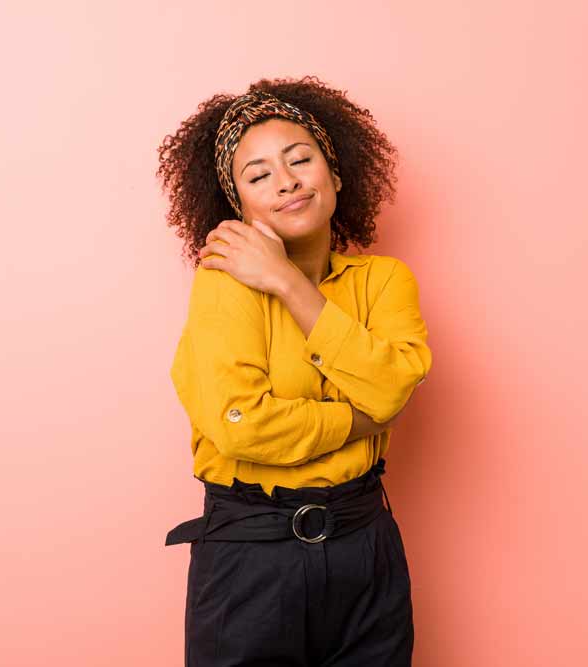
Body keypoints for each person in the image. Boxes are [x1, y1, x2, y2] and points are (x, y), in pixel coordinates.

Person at [157, 75, 433, 666]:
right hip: (251, 556)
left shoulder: (384, 280)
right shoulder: (223, 282)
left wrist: (285, 279)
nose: (285, 182)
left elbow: (393, 386)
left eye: (299, 160)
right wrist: (357, 421)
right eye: (258, 176)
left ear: (335, 174)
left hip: (367, 546)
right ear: (239, 206)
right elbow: (241, 425)